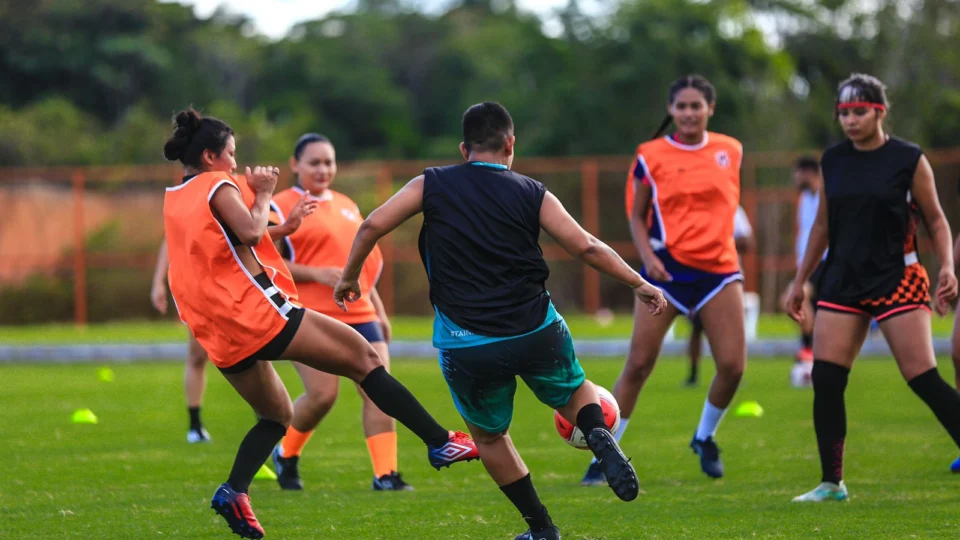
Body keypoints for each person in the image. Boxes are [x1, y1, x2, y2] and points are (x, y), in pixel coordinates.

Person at [333, 102, 665, 540]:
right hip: (535, 328)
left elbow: (372, 224)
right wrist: (638, 282)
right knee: (574, 391)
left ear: (463, 147)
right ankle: (598, 435)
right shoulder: (532, 191)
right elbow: (584, 246)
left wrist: (350, 276)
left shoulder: (431, 183)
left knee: (490, 439)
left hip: (467, 342)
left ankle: (542, 528)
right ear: (510, 144)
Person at [161, 108, 478, 539]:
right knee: (364, 359)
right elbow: (250, 234)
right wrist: (262, 193)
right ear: (213, 156)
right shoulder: (220, 183)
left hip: (218, 329)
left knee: (276, 415)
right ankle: (440, 440)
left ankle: (234, 490)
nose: (236, 163)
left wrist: (285, 227)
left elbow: (228, 239)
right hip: (254, 312)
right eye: (232, 154)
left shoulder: (177, 194)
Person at [785, 73, 960, 502]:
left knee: (922, 378)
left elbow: (936, 219)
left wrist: (947, 268)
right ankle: (832, 483)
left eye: (859, 111)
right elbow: (823, 225)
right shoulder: (833, 160)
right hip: (843, 280)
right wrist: (801, 279)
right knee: (826, 379)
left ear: (880, 112)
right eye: (843, 113)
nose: (850, 120)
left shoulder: (908, 159)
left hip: (897, 277)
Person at [583, 75, 747, 484]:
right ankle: (606, 456)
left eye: (697, 106)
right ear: (671, 110)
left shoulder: (731, 150)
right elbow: (636, 216)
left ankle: (705, 436)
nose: (689, 113)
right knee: (638, 364)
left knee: (732, 365)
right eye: (682, 106)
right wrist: (648, 258)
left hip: (720, 272)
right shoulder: (650, 155)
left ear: (711, 108)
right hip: (666, 274)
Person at [268, 133, 411, 492]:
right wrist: (315, 274)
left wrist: (379, 311)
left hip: (360, 312)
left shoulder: (347, 204)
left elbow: (359, 264)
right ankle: (285, 453)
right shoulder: (280, 205)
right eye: (314, 162)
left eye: (328, 162)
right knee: (322, 395)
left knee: (379, 390)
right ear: (295, 165)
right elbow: (264, 261)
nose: (322, 169)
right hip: (310, 314)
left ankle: (386, 475)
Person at [151, 241, 213, 443]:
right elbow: (170, 239)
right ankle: (195, 425)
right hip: (198, 286)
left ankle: (267, 423)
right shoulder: (184, 209)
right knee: (197, 356)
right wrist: (158, 282)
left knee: (251, 354)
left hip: (234, 283)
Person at [685, 205, 754, 386]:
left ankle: (733, 373)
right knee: (696, 327)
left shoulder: (732, 208)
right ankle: (693, 374)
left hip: (726, 277)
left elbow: (747, 241)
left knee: (729, 330)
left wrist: (721, 241)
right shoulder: (693, 208)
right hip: (697, 276)